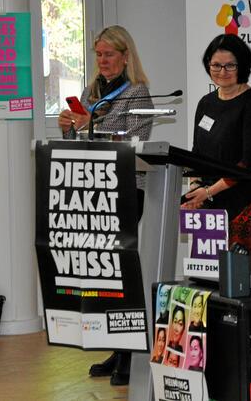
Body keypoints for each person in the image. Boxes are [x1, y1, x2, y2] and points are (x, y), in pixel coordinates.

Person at [58, 25, 153, 386]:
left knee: (123, 270)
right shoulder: (91, 92)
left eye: (109, 54)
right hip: (94, 190)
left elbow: (137, 140)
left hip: (126, 188)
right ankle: (117, 348)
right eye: (98, 54)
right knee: (105, 274)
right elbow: (78, 144)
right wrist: (68, 127)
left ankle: (130, 354)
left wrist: (92, 125)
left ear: (126, 56)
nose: (103, 61)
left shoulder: (138, 92)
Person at [181, 34, 251, 385]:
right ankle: (218, 362)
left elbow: (248, 164)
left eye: (229, 65)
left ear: (242, 66)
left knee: (246, 286)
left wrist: (208, 191)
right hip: (207, 209)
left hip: (241, 207)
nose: (221, 71)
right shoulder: (205, 103)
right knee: (210, 284)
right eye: (215, 65)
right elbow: (196, 154)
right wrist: (194, 189)